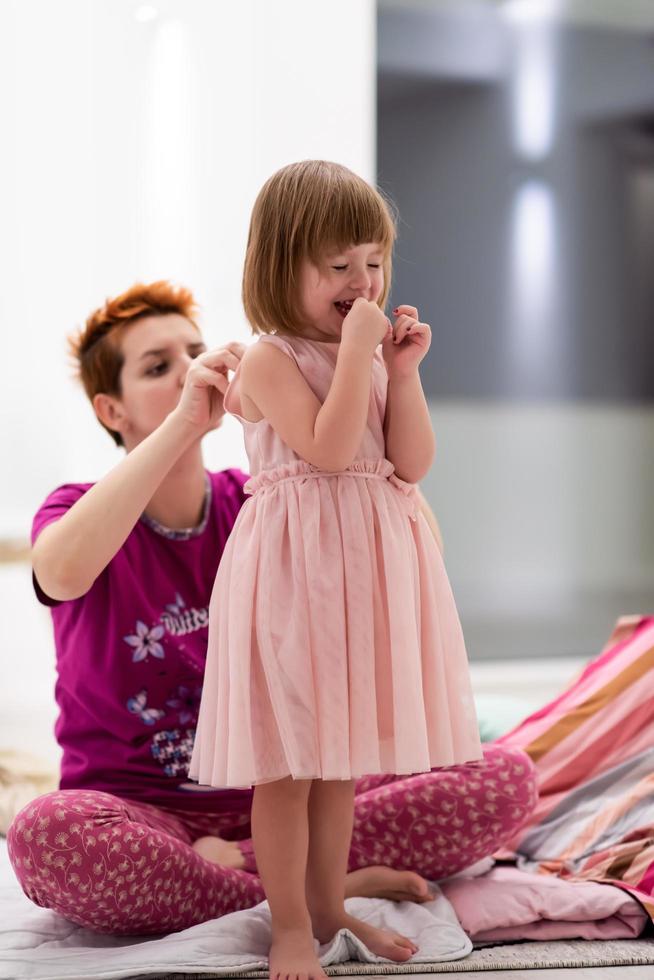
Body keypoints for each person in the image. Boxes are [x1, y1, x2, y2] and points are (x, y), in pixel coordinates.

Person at [7, 281, 537, 940]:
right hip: (147, 815)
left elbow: (413, 541)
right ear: (111, 410)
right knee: (45, 835)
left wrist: (362, 387)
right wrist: (182, 425)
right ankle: (319, 886)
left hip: (296, 792)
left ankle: (276, 879)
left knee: (503, 777)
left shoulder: (266, 500)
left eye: (194, 350)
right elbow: (59, 572)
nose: (188, 368)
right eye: (157, 366)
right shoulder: (76, 505)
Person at [186, 160, 499, 980]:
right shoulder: (267, 358)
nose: (363, 281)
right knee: (289, 766)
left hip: (362, 577)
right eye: (339, 266)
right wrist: (360, 349)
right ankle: (290, 924)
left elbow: (410, 463)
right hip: (294, 577)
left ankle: (329, 906)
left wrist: (402, 372)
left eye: (374, 261)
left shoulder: (365, 353)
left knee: (338, 764)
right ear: (280, 268)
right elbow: (324, 452)